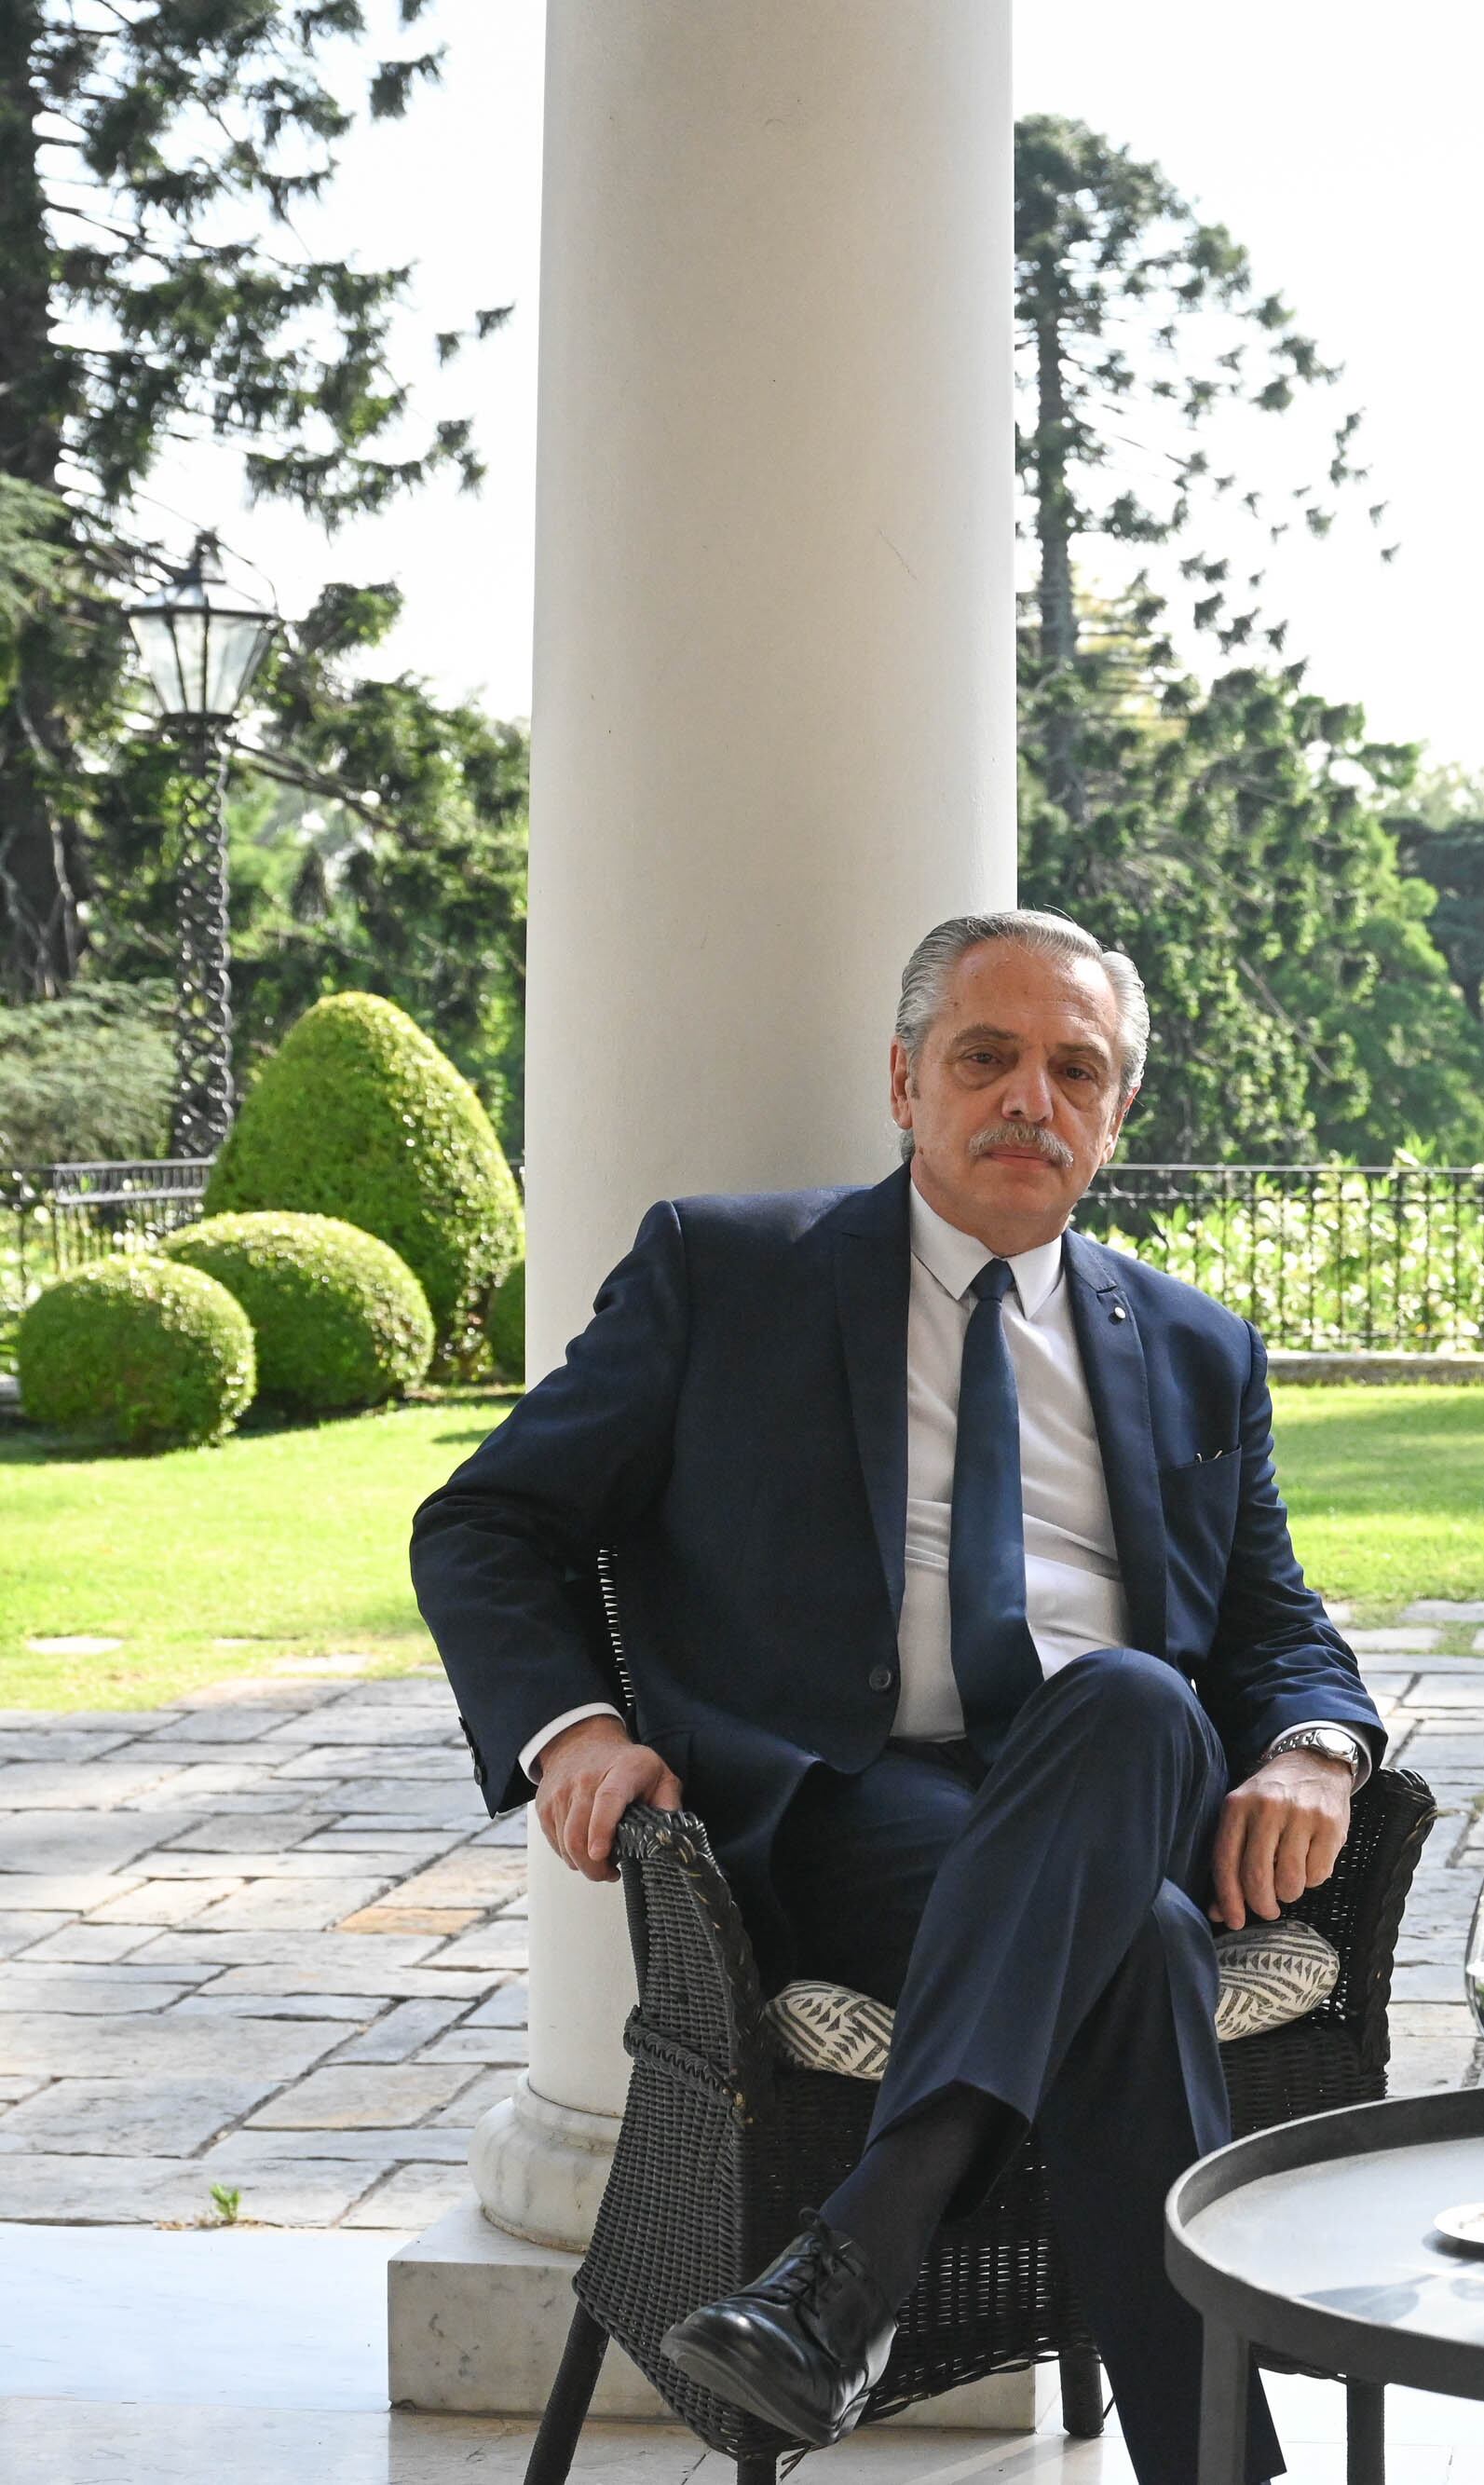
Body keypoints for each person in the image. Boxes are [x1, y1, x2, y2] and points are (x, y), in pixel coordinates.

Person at [412, 909, 1378, 2485]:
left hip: (1119, 1781)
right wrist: (573, 1728)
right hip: (850, 1819)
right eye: (986, 1057)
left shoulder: (1198, 1349)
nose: (1030, 1100)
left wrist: (1321, 1751)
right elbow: (487, 1523)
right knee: (1133, 1947)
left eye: (1076, 1070)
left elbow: (1278, 1625)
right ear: (903, 1081)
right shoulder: (730, 1276)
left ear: (1117, 1111)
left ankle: (846, 2273)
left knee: (1131, 1704)